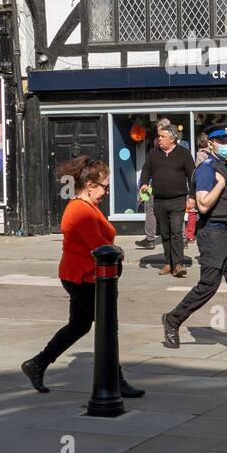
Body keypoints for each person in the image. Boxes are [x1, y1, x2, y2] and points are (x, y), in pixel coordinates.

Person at [21, 155, 144, 398]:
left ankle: (37, 364)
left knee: (79, 325)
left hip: (82, 276)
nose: (106, 192)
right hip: (83, 277)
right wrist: (118, 252)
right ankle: (115, 381)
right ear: (90, 186)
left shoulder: (87, 207)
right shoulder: (81, 210)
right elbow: (99, 247)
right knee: (108, 326)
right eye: (105, 187)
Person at [162, 124, 227, 353]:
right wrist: (219, 183)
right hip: (213, 233)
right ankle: (173, 319)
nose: (226, 146)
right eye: (221, 142)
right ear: (211, 144)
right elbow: (204, 204)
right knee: (208, 286)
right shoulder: (207, 169)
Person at [136, 118, 194, 277]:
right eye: (159, 136)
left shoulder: (183, 153)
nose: (159, 139)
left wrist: (192, 196)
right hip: (159, 200)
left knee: (176, 231)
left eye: (162, 136)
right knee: (165, 233)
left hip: (177, 200)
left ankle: (178, 264)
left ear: (172, 138)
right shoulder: (154, 153)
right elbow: (146, 169)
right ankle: (168, 263)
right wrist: (143, 183)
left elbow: (192, 176)